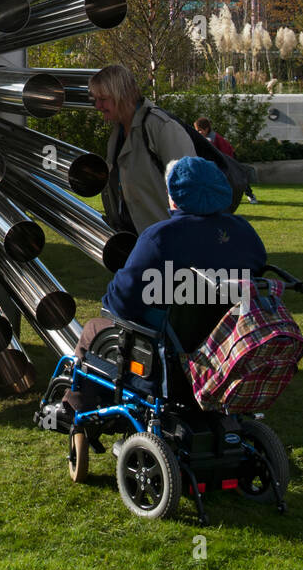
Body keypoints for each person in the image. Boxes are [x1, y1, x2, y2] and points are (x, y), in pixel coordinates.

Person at [39, 157, 268, 427]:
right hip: (226, 345)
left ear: (174, 197)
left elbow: (122, 302)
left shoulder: (161, 237)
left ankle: (72, 405)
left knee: (94, 329)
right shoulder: (244, 233)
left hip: (168, 350)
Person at [89, 64, 195, 234]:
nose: (97, 106)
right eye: (95, 99)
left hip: (167, 243)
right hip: (138, 242)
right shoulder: (119, 132)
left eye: (102, 99)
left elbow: (190, 190)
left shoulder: (161, 128)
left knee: (169, 264)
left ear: (122, 95)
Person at [194, 115, 258, 204]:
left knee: (238, 177)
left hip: (229, 158)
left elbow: (225, 152)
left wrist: (227, 164)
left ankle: (250, 195)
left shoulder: (213, 138)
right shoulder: (206, 138)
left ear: (207, 129)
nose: (198, 132)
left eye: (200, 130)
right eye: (197, 130)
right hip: (221, 160)